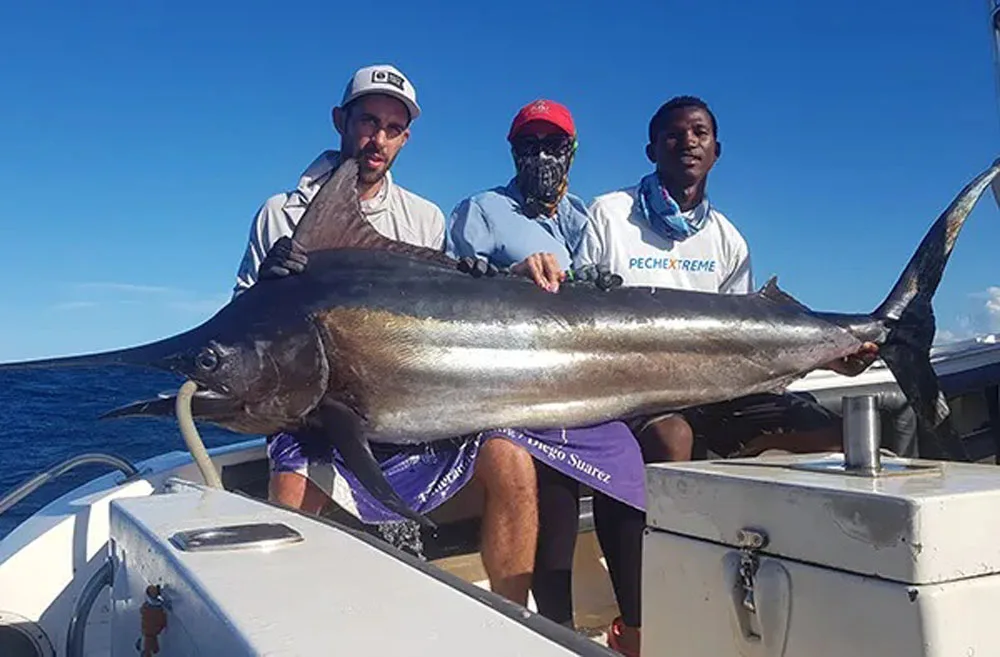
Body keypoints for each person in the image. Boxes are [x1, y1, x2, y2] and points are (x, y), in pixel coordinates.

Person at [577, 95, 879, 656]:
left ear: (717, 150)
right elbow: (580, 307)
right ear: (651, 149)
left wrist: (829, 354)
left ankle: (798, 586)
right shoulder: (609, 214)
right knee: (671, 438)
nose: (687, 142)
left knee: (832, 434)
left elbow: (750, 340)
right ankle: (641, 622)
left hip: (720, 387)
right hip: (640, 391)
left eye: (699, 132)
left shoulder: (728, 238)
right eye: (673, 134)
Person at [231, 64, 541, 606]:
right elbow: (237, 328)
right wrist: (264, 287)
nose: (378, 139)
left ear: (405, 139)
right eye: (368, 122)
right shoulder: (279, 214)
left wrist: (498, 279)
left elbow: (445, 318)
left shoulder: (424, 218)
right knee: (293, 479)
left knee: (512, 459)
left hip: (404, 408)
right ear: (340, 121)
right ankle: (286, 616)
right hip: (315, 414)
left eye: (393, 128)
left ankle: (515, 620)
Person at [447, 99, 645, 630]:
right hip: (518, 387)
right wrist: (512, 275)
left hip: (581, 384)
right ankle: (554, 630)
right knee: (553, 480)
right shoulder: (481, 210)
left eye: (553, 145)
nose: (541, 156)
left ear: (572, 152)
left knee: (628, 462)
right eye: (528, 145)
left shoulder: (585, 218)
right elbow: (455, 295)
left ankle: (635, 627)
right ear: (512, 152)